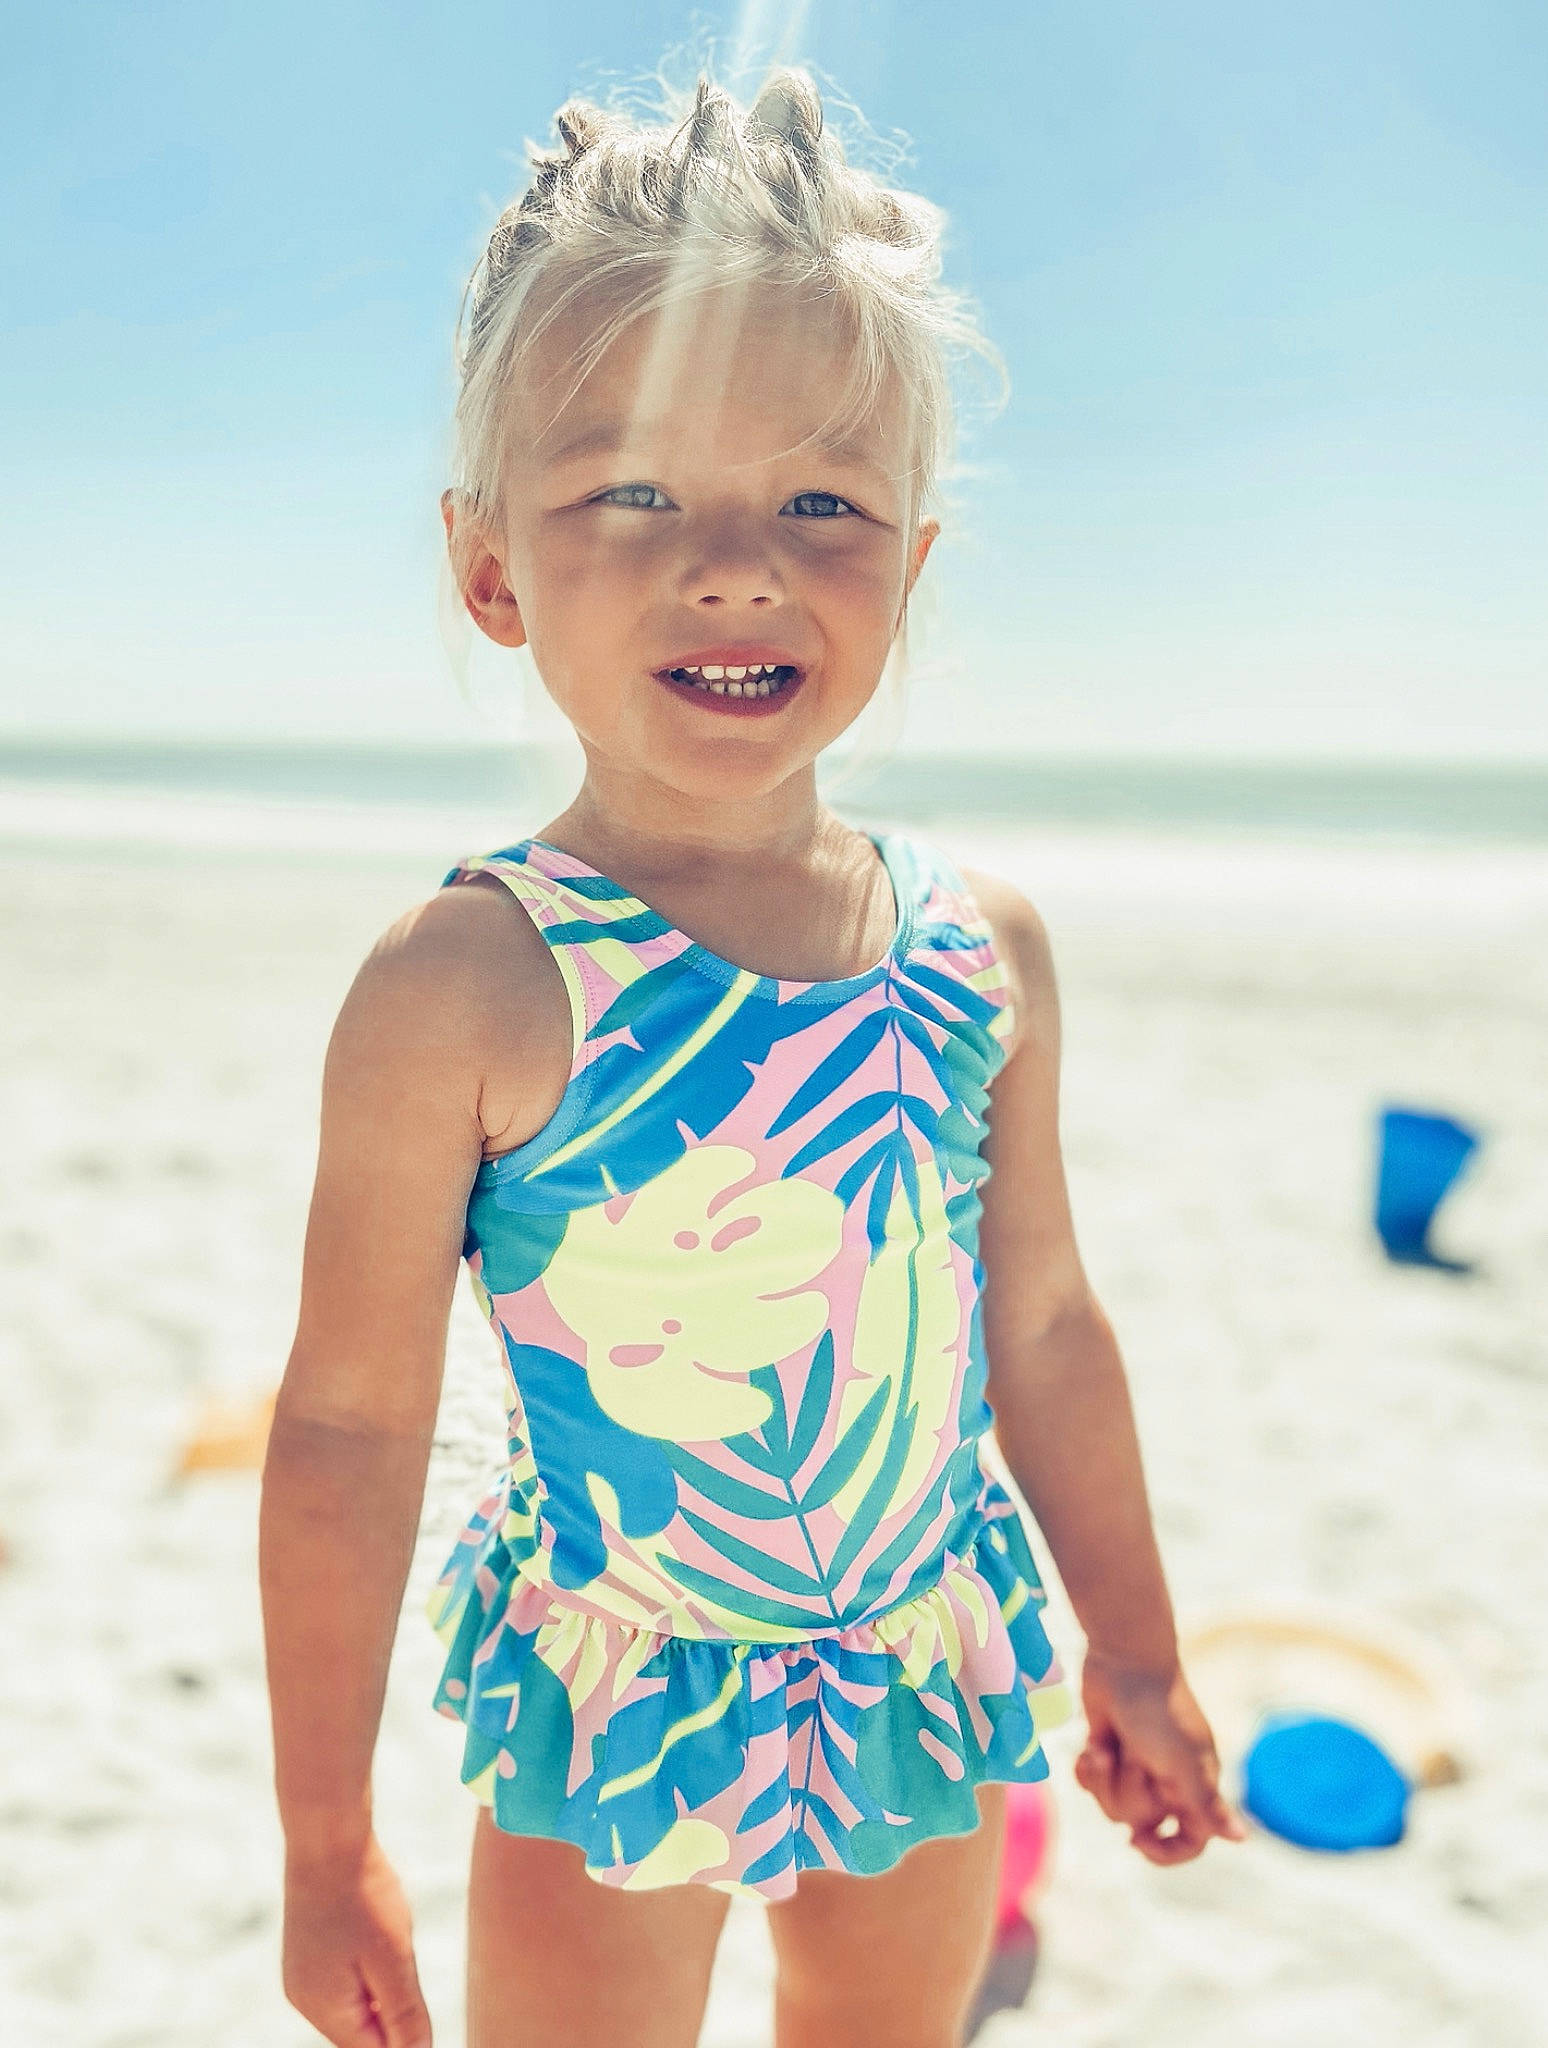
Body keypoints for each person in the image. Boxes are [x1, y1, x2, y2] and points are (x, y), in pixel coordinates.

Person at [258, 65, 1244, 2048]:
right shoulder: (470, 984)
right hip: (623, 1688)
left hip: (918, 1659)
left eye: (822, 499)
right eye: (633, 491)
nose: (736, 561)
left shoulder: (979, 950)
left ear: (914, 562)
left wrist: (1132, 1644)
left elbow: (1040, 1320)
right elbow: (352, 1430)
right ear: (491, 568)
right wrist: (320, 1831)